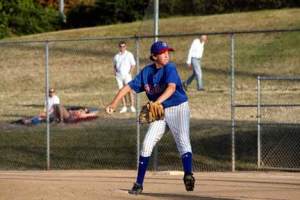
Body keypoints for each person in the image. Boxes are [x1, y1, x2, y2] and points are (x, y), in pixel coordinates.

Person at [106, 41, 195, 195]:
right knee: (147, 144)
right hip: (160, 112)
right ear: (154, 56)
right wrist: (114, 103)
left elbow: (171, 88)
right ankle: (138, 184)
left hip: (178, 107)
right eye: (162, 52)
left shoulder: (170, 68)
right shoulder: (146, 72)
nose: (166, 54)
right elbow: (128, 87)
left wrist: (155, 103)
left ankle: (188, 174)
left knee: (182, 140)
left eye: (167, 51)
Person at [113, 41, 136, 113]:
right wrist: (115, 72)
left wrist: (129, 73)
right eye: (120, 46)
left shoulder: (129, 54)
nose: (122, 48)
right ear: (119, 47)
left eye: (123, 46)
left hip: (127, 75)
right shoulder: (116, 56)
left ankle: (132, 106)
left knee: (129, 90)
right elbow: (114, 65)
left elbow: (133, 64)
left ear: (125, 47)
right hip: (119, 76)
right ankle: (124, 106)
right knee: (121, 91)